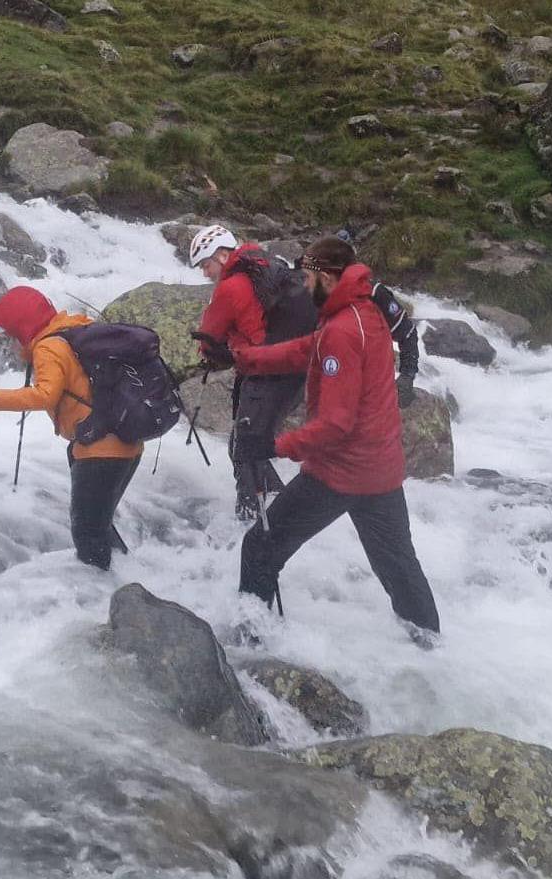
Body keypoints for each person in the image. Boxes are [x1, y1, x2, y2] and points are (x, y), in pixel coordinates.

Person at [213, 236, 441, 641]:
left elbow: (336, 423)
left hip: (341, 472)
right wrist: (245, 358)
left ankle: (255, 648)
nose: (303, 285)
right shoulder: (362, 308)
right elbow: (308, 350)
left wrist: (273, 447)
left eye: (307, 277)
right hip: (381, 471)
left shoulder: (342, 329)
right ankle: (431, 648)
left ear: (325, 276)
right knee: (400, 569)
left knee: (259, 549)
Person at [0, 286, 142, 571]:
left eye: (12, 335)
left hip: (100, 451)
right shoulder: (75, 328)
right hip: (126, 443)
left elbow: (45, 395)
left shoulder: (49, 347)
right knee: (100, 525)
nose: (11, 344)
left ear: (23, 327)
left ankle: (109, 601)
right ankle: (129, 585)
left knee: (88, 534)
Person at [187, 224, 314, 522]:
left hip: (264, 374)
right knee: (252, 445)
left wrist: (215, 351)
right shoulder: (267, 266)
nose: (205, 273)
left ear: (221, 255)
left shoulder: (231, 287)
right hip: (292, 372)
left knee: (243, 449)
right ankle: (280, 508)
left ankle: (252, 522)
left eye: (205, 265)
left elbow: (208, 338)